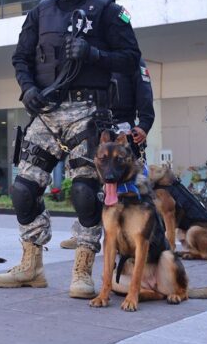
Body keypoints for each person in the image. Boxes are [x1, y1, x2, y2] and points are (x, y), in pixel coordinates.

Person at [0, 0, 141, 298]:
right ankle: (31, 267)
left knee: (85, 192)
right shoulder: (41, 12)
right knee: (23, 191)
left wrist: (94, 53)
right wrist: (27, 88)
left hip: (88, 113)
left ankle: (84, 270)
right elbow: (21, 59)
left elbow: (131, 57)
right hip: (45, 112)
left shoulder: (107, 9)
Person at [60, 57, 154, 249]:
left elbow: (145, 94)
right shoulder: (88, 56)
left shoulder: (131, 59)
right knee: (84, 186)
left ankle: (127, 236)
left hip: (121, 130)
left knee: (125, 188)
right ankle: (84, 232)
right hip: (88, 128)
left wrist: (144, 125)